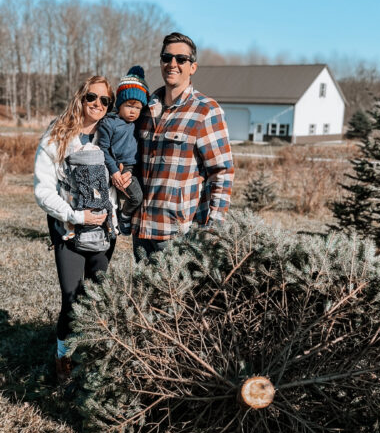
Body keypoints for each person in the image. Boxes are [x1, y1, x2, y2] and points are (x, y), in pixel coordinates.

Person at [34, 76, 130, 383]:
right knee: (71, 295)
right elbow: (43, 191)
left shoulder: (112, 135)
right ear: (80, 98)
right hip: (69, 229)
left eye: (105, 101)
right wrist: (76, 215)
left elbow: (121, 176)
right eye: (92, 97)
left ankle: (94, 356)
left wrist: (122, 189)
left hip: (104, 232)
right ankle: (64, 357)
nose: (98, 105)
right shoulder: (57, 136)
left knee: (98, 293)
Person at [131, 32, 234, 259]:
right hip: (141, 231)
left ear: (193, 67)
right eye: (167, 58)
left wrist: (212, 228)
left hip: (178, 235)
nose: (172, 64)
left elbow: (222, 173)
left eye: (181, 59)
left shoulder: (205, 111)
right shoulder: (145, 109)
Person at [98, 66, 149, 235]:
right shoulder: (110, 123)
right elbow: (103, 149)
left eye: (138, 108)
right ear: (120, 104)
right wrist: (114, 170)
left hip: (138, 167)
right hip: (122, 168)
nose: (133, 111)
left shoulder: (138, 123)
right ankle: (124, 216)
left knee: (144, 195)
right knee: (136, 197)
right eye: (129, 105)